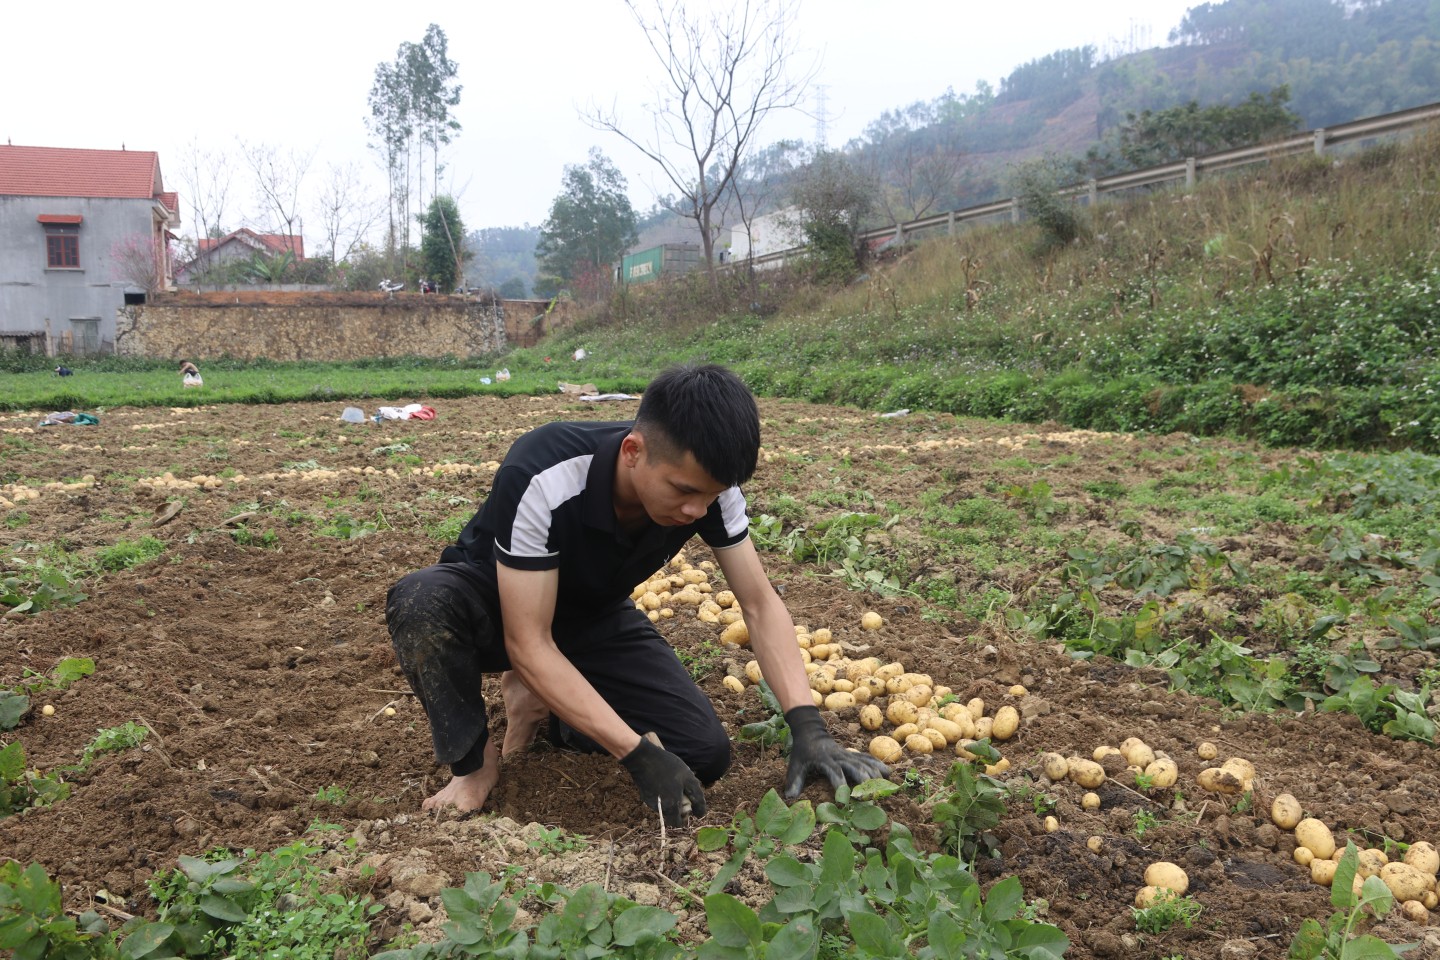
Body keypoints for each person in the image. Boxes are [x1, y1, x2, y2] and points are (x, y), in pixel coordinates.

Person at [386, 364, 889, 825]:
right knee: (422, 600)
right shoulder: (545, 472)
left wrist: (808, 727)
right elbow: (528, 641)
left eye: (710, 496)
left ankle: (550, 709)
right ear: (633, 452)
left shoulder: (712, 490)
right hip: (496, 608)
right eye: (683, 491)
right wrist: (636, 753)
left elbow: (758, 603)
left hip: (590, 613)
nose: (696, 510)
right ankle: (473, 764)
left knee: (701, 752)